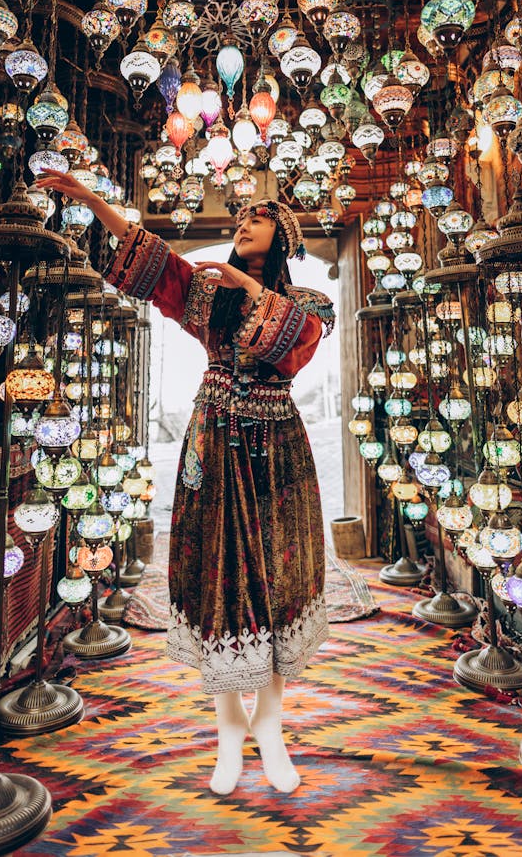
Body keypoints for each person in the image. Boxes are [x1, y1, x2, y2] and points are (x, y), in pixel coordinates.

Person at [37, 172, 335, 795]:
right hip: (214, 441)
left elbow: (294, 347)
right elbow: (152, 259)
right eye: (239, 220)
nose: (243, 225)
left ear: (282, 234)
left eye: (258, 217)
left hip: (279, 447)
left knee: (278, 579)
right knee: (217, 572)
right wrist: (94, 202)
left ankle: (270, 723)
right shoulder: (204, 297)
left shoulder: (309, 304)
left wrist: (250, 287)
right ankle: (230, 728)